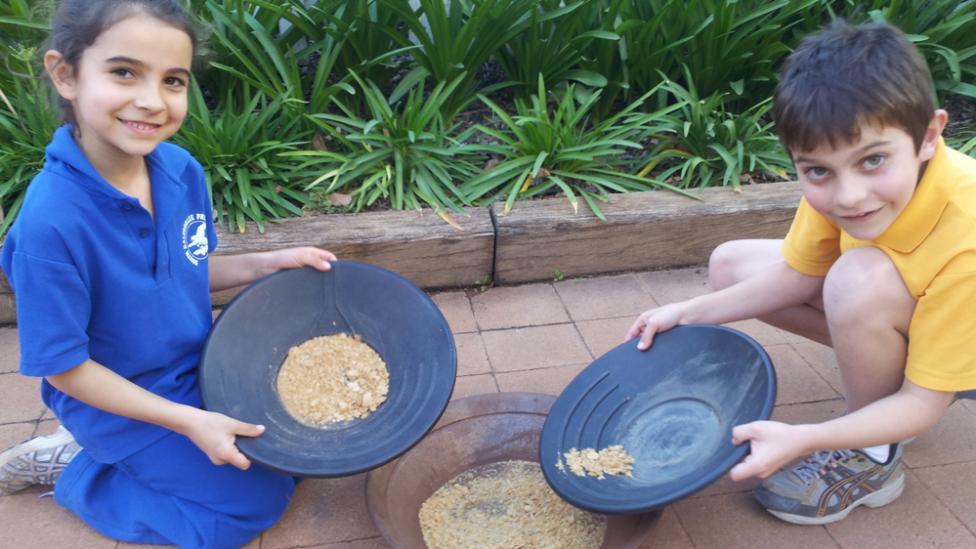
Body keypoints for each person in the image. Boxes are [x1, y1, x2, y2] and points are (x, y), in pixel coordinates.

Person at [0, 1, 336, 547]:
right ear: (66, 74)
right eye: (124, 72)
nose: (152, 101)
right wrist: (186, 421)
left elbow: (183, 272)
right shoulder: (50, 227)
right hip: (118, 402)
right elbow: (63, 368)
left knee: (298, 453)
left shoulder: (180, 171)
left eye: (173, 80)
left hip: (202, 365)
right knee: (252, 506)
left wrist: (266, 263)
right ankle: (76, 470)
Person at [627, 20, 976, 525]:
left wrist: (807, 436)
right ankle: (892, 379)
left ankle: (875, 453)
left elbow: (925, 405)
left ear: (928, 136)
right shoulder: (842, 184)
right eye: (817, 171)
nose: (849, 195)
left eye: (873, 160)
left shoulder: (967, 236)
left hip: (965, 330)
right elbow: (799, 275)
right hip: (914, 303)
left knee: (858, 280)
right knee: (730, 266)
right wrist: (688, 312)